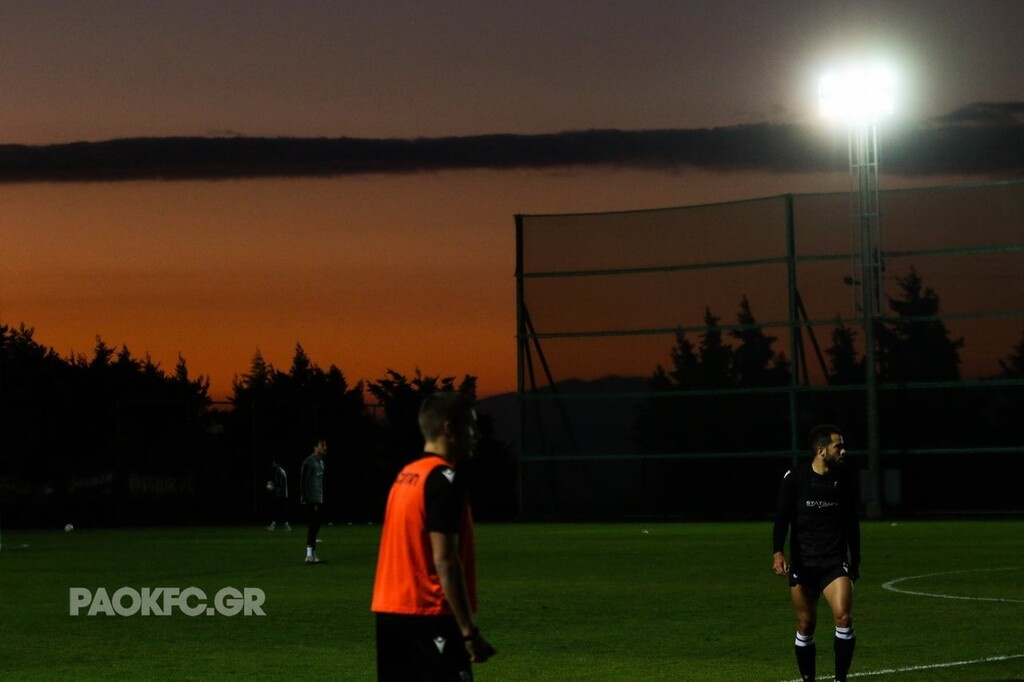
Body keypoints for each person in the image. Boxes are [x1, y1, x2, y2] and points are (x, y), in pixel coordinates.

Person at [371, 391, 496, 680]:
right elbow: (445, 560)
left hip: (390, 613)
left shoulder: (405, 476)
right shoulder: (444, 480)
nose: (476, 434)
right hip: (428, 614)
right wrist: (469, 631)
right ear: (449, 428)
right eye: (471, 425)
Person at [773, 424, 861, 682]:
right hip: (804, 564)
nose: (843, 451)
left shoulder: (844, 480)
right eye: (838, 446)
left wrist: (855, 559)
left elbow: (851, 524)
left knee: (843, 617)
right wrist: (778, 552)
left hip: (834, 562)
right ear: (822, 450)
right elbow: (781, 518)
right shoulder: (796, 478)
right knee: (805, 625)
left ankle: (840, 679)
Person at [300, 439, 327, 564]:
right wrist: (305, 497)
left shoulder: (321, 461)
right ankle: (308, 554)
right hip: (312, 498)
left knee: (316, 525)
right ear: (315, 447)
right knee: (313, 525)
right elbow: (303, 480)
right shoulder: (309, 462)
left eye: (325, 445)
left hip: (319, 497)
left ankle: (313, 553)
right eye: (322, 445)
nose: (325, 448)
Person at [266, 459, 291, 531]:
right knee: (281, 510)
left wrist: (271, 485)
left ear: (277, 464)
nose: (273, 465)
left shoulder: (279, 471)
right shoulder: (280, 471)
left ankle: (273, 526)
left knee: (277, 510)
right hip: (282, 494)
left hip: (281, 494)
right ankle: (286, 525)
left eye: (274, 463)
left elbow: (279, 484)